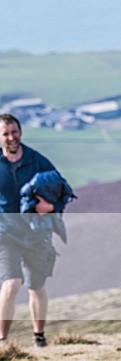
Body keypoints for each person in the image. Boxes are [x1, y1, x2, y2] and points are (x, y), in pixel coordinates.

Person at [0, 114, 64, 347]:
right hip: (5, 233)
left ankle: (39, 337)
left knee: (36, 287)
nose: (11, 138)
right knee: (11, 283)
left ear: (21, 132)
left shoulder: (38, 161)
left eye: (14, 132)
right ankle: (3, 341)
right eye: (5, 134)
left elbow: (62, 190)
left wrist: (51, 207)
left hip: (37, 235)